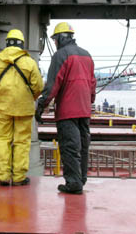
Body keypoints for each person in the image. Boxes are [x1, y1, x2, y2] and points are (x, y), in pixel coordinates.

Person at [35, 22, 96, 194]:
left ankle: (73, 183)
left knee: (70, 146)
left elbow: (54, 84)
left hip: (68, 111)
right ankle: (81, 179)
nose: (54, 43)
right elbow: (92, 83)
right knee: (83, 146)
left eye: (55, 39)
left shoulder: (61, 55)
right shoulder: (87, 55)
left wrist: (41, 105)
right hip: (84, 110)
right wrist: (89, 100)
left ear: (61, 38)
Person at [0, 29, 43, 186]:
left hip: (3, 108)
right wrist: (30, 98)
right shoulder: (29, 62)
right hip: (24, 108)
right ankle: (18, 177)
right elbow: (38, 86)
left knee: (3, 140)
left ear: (7, 43)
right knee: (22, 141)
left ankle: (3, 176)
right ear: (22, 44)